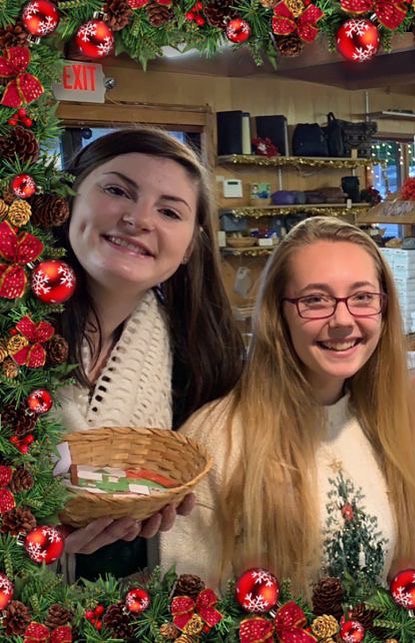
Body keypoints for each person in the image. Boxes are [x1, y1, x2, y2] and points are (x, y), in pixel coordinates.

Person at [161, 217, 415, 593]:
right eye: (315, 300)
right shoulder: (217, 441)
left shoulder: (390, 425)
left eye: (362, 297)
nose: (342, 320)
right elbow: (184, 603)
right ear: (278, 314)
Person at [54, 128, 245, 579]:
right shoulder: (15, 334)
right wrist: (30, 538)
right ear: (67, 200)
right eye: (117, 191)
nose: (139, 219)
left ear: (189, 247)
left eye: (169, 211)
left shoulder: (198, 360)